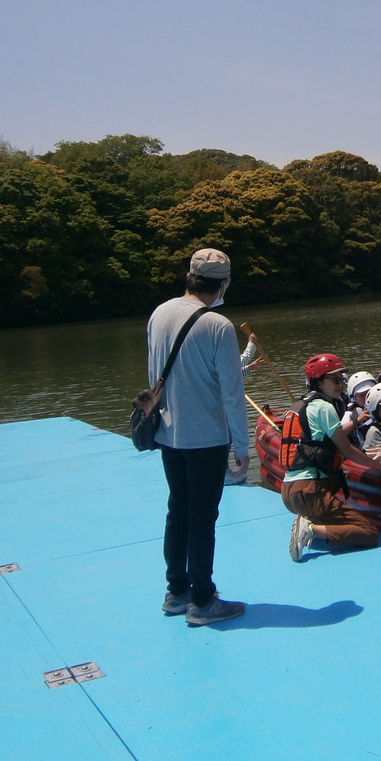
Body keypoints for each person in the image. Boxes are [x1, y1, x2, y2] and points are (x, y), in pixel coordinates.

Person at [148, 247, 248, 625]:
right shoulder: (217, 326)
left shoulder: (159, 313)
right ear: (223, 284)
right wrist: (242, 444)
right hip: (205, 436)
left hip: (168, 432)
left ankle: (176, 591)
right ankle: (203, 600)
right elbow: (232, 392)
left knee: (178, 510)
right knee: (203, 517)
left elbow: (153, 373)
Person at [280, 354, 381, 562]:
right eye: (333, 379)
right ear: (318, 382)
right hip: (310, 490)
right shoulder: (324, 407)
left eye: (341, 379)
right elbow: (347, 450)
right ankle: (311, 530)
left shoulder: (299, 406)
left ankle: (310, 523)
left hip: (289, 491)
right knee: (368, 533)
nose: (339, 384)